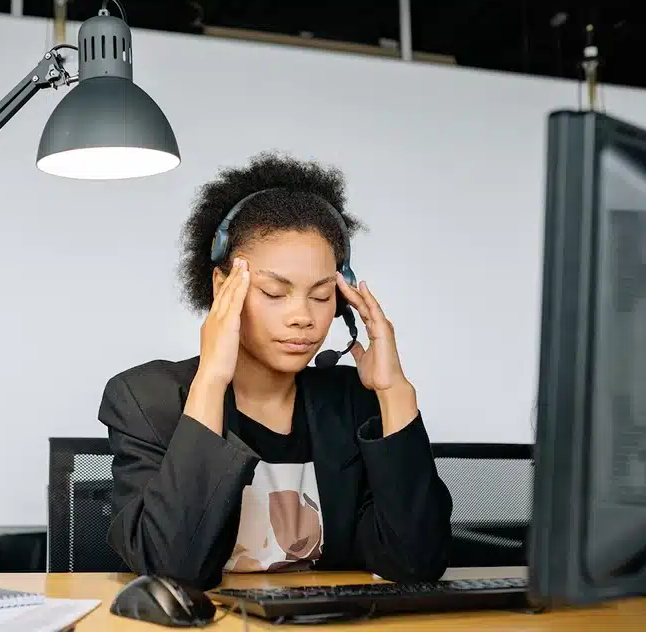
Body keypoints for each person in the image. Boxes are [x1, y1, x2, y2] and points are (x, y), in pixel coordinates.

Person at [96, 151, 453, 590]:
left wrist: (394, 390)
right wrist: (211, 380)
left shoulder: (351, 400)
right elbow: (173, 573)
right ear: (223, 287)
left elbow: (417, 563)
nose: (303, 317)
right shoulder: (147, 399)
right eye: (274, 293)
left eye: (321, 297)